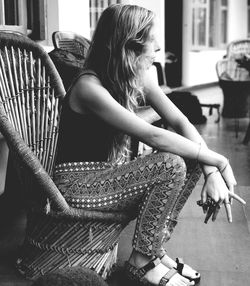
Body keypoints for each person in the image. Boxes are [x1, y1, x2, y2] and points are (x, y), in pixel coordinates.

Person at [54, 4, 246, 286]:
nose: (158, 46)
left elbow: (181, 122)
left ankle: (153, 250)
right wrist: (220, 160)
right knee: (169, 162)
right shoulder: (88, 86)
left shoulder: (136, 77)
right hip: (76, 185)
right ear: (129, 45)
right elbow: (152, 136)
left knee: (187, 156)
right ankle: (142, 261)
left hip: (107, 177)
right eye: (152, 39)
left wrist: (210, 171)